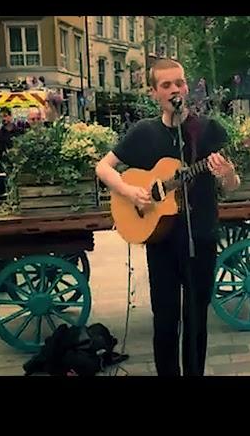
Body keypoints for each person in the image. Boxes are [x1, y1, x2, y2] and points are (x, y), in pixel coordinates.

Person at [95, 59, 240, 376]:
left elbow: (231, 186)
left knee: (196, 321)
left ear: (187, 87)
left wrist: (227, 173)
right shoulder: (144, 133)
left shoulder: (207, 130)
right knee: (164, 320)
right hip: (160, 241)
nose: (175, 89)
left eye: (180, 83)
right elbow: (103, 167)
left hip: (200, 238)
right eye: (166, 85)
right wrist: (130, 192)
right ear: (153, 93)